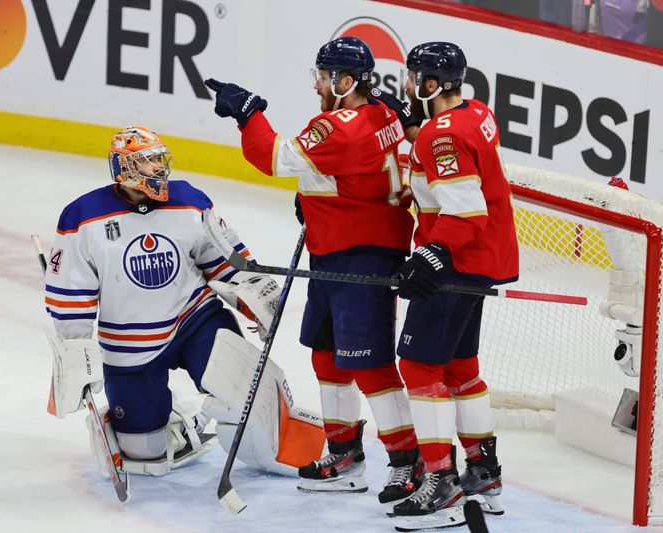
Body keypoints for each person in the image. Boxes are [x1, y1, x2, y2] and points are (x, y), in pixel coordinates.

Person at [204, 37, 425, 510]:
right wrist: (317, 194)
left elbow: (273, 157)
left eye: (324, 77)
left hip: (362, 256)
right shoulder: (381, 112)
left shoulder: (340, 126)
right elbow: (353, 169)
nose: (318, 85)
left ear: (345, 83)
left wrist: (248, 113)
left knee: (370, 365)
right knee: (327, 356)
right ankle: (345, 457)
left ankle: (407, 461)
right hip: (335, 250)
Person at [43, 126, 321, 476]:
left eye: (160, 158)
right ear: (125, 167)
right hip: (129, 346)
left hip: (194, 321)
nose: (159, 168)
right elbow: (72, 294)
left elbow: (225, 259)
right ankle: (162, 422)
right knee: (146, 454)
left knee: (245, 396)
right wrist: (75, 354)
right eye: (148, 162)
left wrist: (258, 301)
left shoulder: (188, 200)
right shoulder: (82, 217)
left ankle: (274, 433)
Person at [389, 42, 519, 531]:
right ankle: (483, 474)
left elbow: (464, 209)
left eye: (412, 77)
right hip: (483, 259)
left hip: (458, 260)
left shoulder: (441, 138)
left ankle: (441, 483)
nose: (406, 85)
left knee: (419, 365)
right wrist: (418, 130)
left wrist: (431, 253)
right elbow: (460, 161)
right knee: (461, 367)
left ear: (431, 85)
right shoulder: (476, 111)